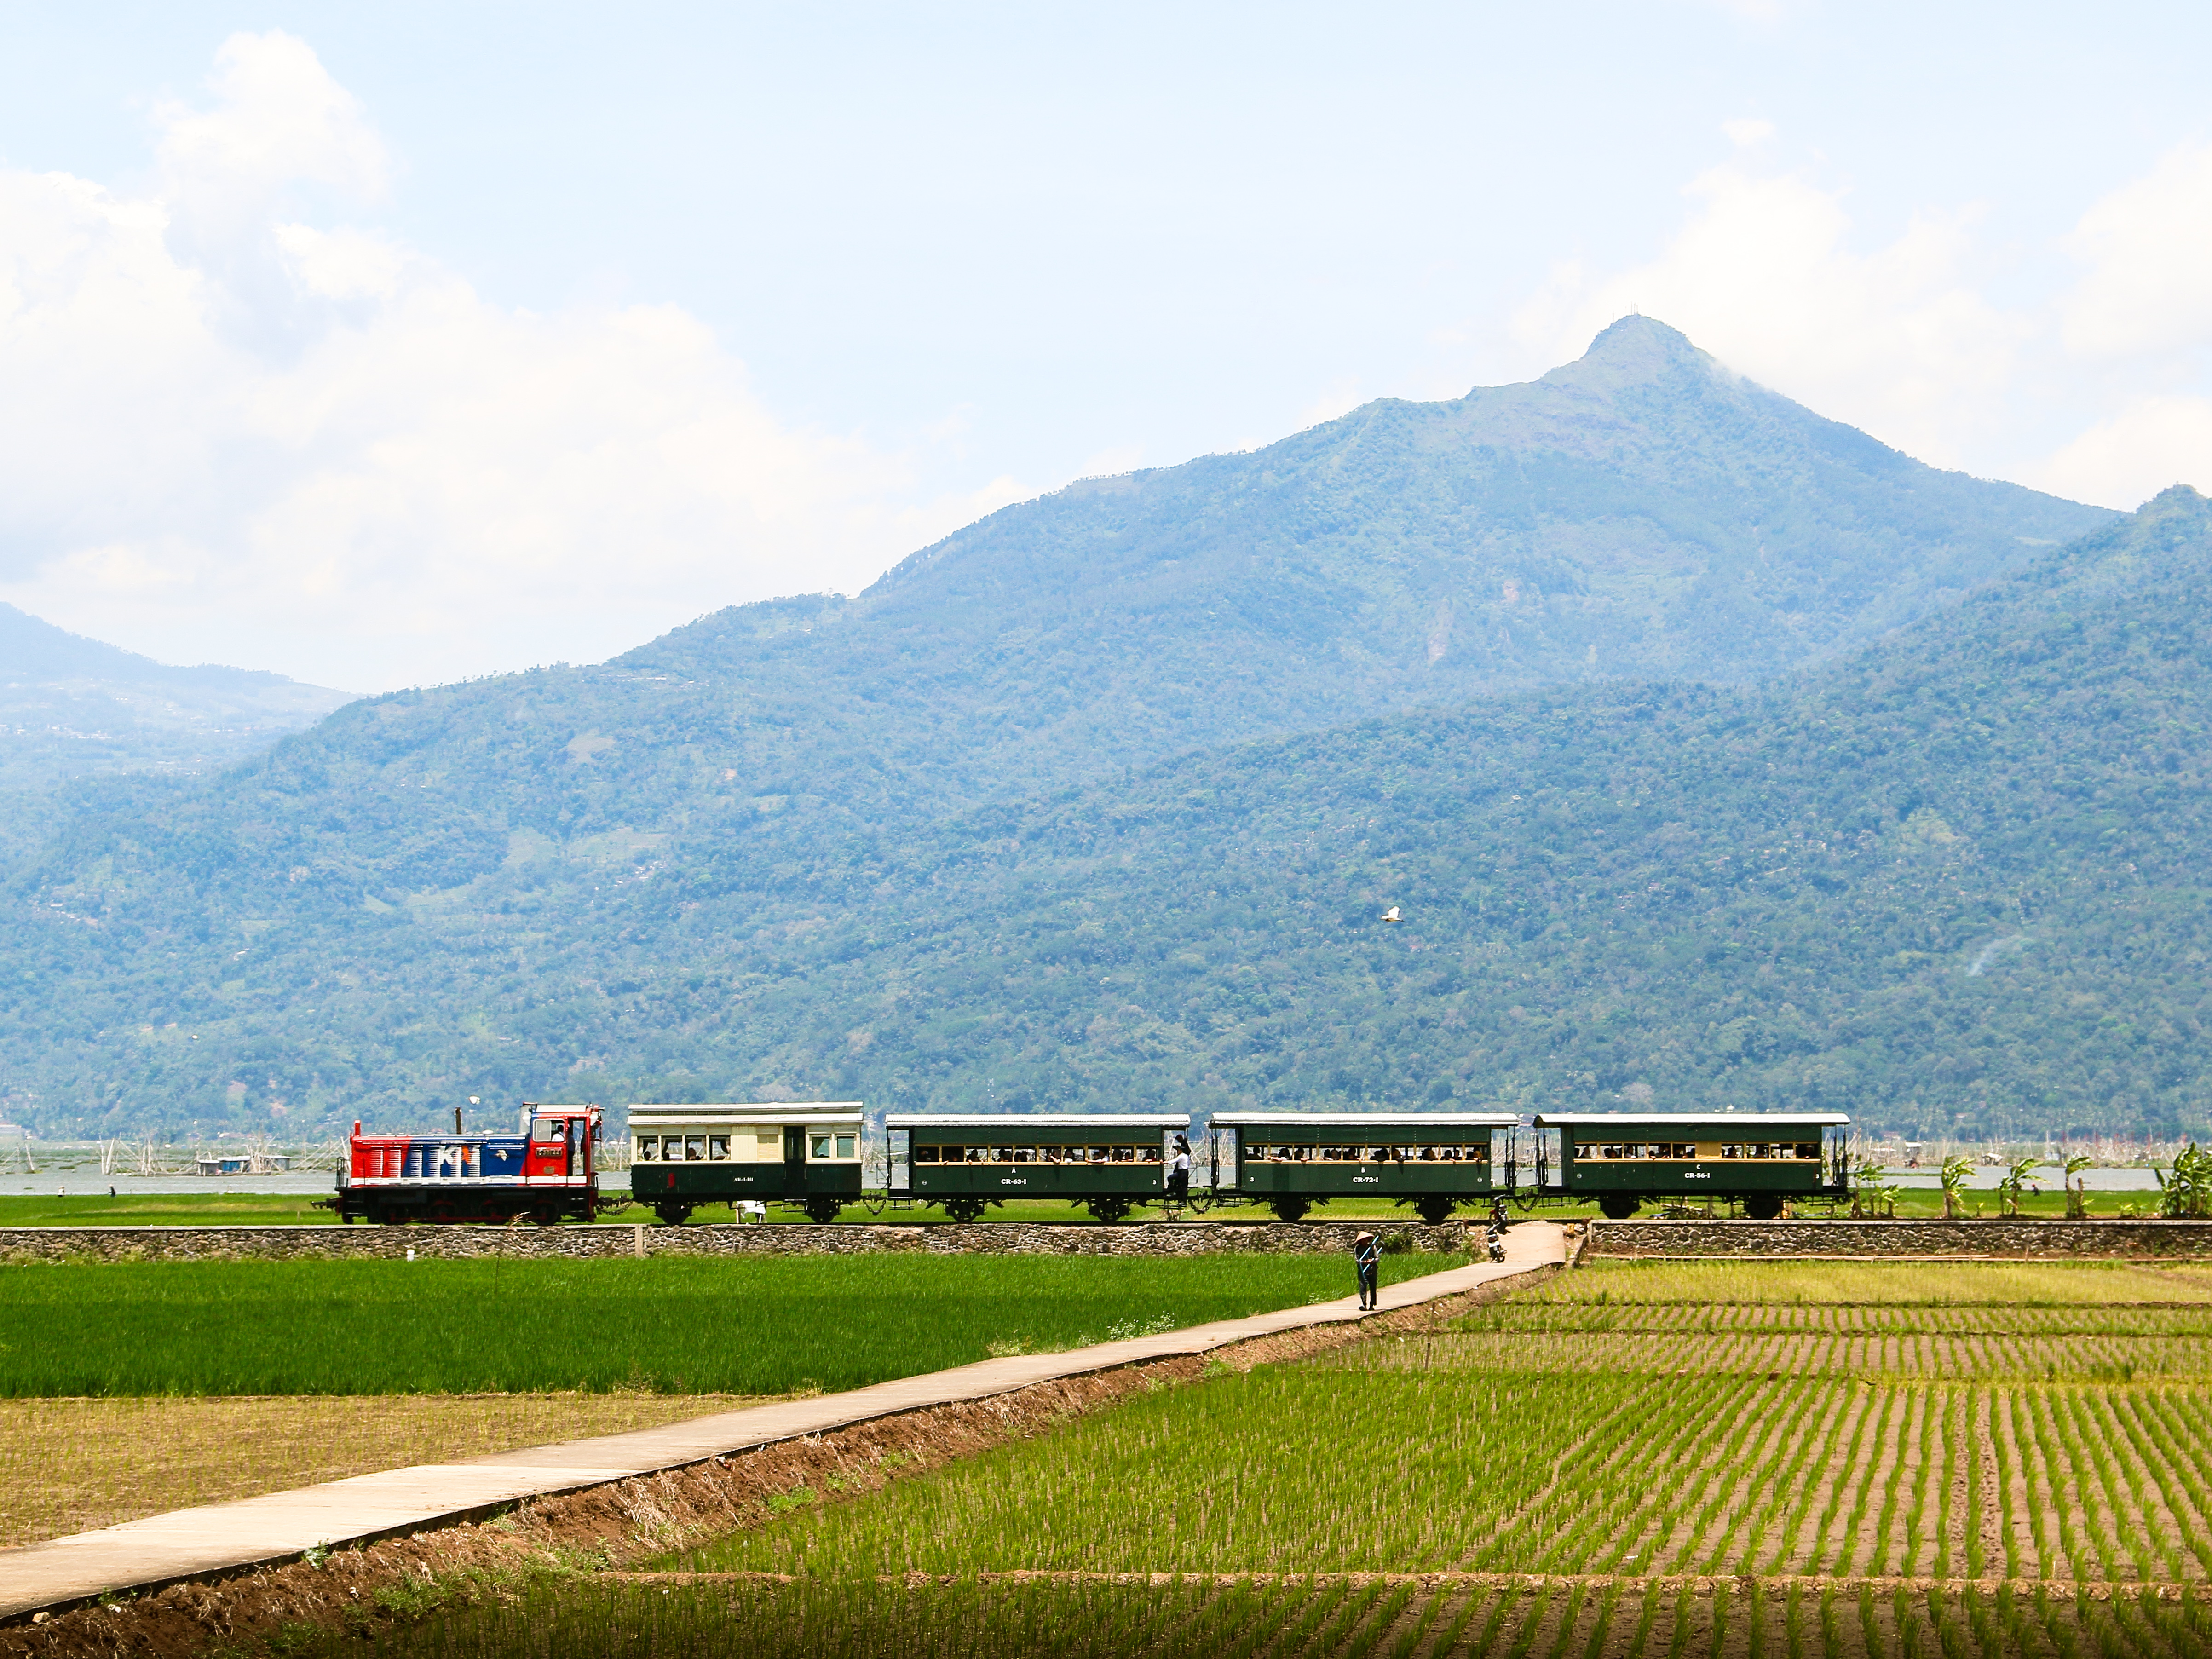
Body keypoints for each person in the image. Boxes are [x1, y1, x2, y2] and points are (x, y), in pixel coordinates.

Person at [1353, 1230, 1380, 1311]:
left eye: (1366, 1240)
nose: (1365, 1241)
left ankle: (1372, 1305)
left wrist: (1372, 1261)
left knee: (1373, 1287)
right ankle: (1364, 1304)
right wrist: (1364, 1262)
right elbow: (1357, 1260)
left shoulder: (1372, 1247)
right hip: (1362, 1270)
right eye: (1363, 1240)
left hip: (1372, 1270)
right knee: (1363, 1287)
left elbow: (1377, 1258)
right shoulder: (1358, 1249)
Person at [1167, 1134, 1192, 1206]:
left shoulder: (1182, 1155)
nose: (1177, 1151)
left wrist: (1165, 1162)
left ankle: (1176, 1193)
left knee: (1183, 1186)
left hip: (1183, 1172)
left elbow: (1173, 1161)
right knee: (1179, 1183)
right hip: (1183, 1171)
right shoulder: (1185, 1156)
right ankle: (1174, 1191)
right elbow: (1189, 1163)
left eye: (1178, 1150)